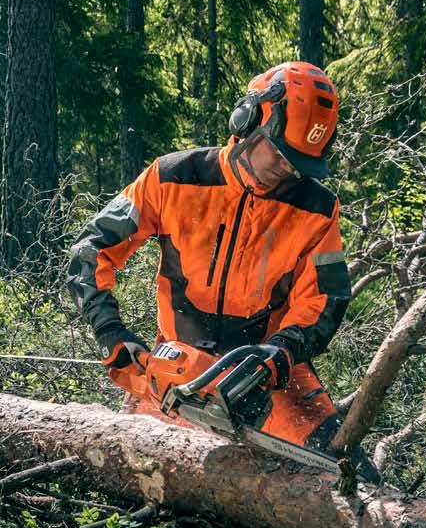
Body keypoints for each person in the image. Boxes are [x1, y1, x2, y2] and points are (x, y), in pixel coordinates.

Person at [67, 61, 352, 454]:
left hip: (266, 374)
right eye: (281, 154)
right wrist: (109, 330)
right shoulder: (173, 177)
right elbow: (92, 248)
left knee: (347, 470)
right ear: (249, 119)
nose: (287, 169)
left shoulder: (317, 208)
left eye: (298, 163)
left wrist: (282, 352)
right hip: (177, 367)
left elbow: (325, 298)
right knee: (133, 476)